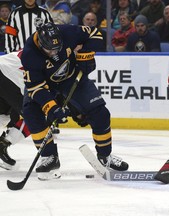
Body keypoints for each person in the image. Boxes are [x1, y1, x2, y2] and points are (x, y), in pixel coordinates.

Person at [20, 22, 128, 180]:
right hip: (45, 85)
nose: (54, 53)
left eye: (57, 48)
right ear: (40, 43)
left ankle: (105, 156)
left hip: (72, 77)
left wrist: (86, 54)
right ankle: (49, 157)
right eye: (49, 50)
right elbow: (36, 87)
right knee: (30, 111)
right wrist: (52, 108)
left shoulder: (68, 31)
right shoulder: (30, 54)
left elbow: (96, 33)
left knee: (100, 113)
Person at [0, 51, 31, 170]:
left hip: (6, 73)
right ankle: (3, 144)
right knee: (36, 117)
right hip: (8, 77)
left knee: (3, 115)